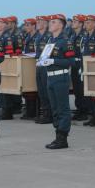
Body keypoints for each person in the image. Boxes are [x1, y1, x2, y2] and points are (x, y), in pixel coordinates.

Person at [37, 14, 75, 149]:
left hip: (61, 77)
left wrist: (54, 61)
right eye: (50, 22)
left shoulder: (65, 41)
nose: (50, 24)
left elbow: (71, 61)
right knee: (55, 108)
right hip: (50, 77)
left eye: (53, 22)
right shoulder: (50, 41)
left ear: (61, 25)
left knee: (62, 108)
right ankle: (58, 135)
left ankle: (62, 138)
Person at [69, 14, 89, 121]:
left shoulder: (84, 36)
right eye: (73, 21)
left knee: (81, 89)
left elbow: (84, 52)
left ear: (81, 24)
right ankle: (79, 109)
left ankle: (84, 111)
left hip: (81, 64)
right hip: (74, 64)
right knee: (76, 89)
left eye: (75, 21)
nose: (73, 23)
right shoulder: (72, 36)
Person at [34, 15, 53, 124]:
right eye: (37, 21)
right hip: (39, 66)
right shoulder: (37, 37)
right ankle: (45, 113)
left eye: (40, 21)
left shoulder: (49, 36)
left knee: (47, 91)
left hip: (46, 66)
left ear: (45, 24)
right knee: (41, 91)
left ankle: (49, 114)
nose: (37, 23)